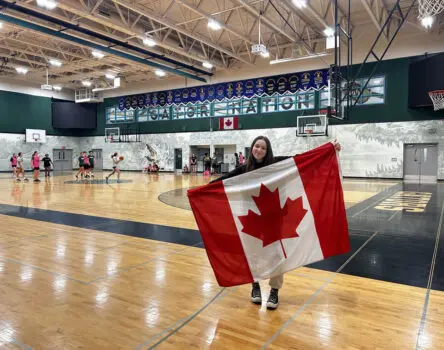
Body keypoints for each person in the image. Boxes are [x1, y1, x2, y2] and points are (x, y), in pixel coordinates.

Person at [211, 136, 341, 309]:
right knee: (252, 255)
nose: (259, 150)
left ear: (268, 151)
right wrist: (200, 190)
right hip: (250, 221)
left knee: (277, 255)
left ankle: (274, 291)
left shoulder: (277, 164)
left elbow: (302, 159)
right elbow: (223, 181)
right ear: (252, 148)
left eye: (263, 148)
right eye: (257, 146)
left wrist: (328, 149)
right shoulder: (243, 170)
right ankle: (255, 286)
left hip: (273, 219)